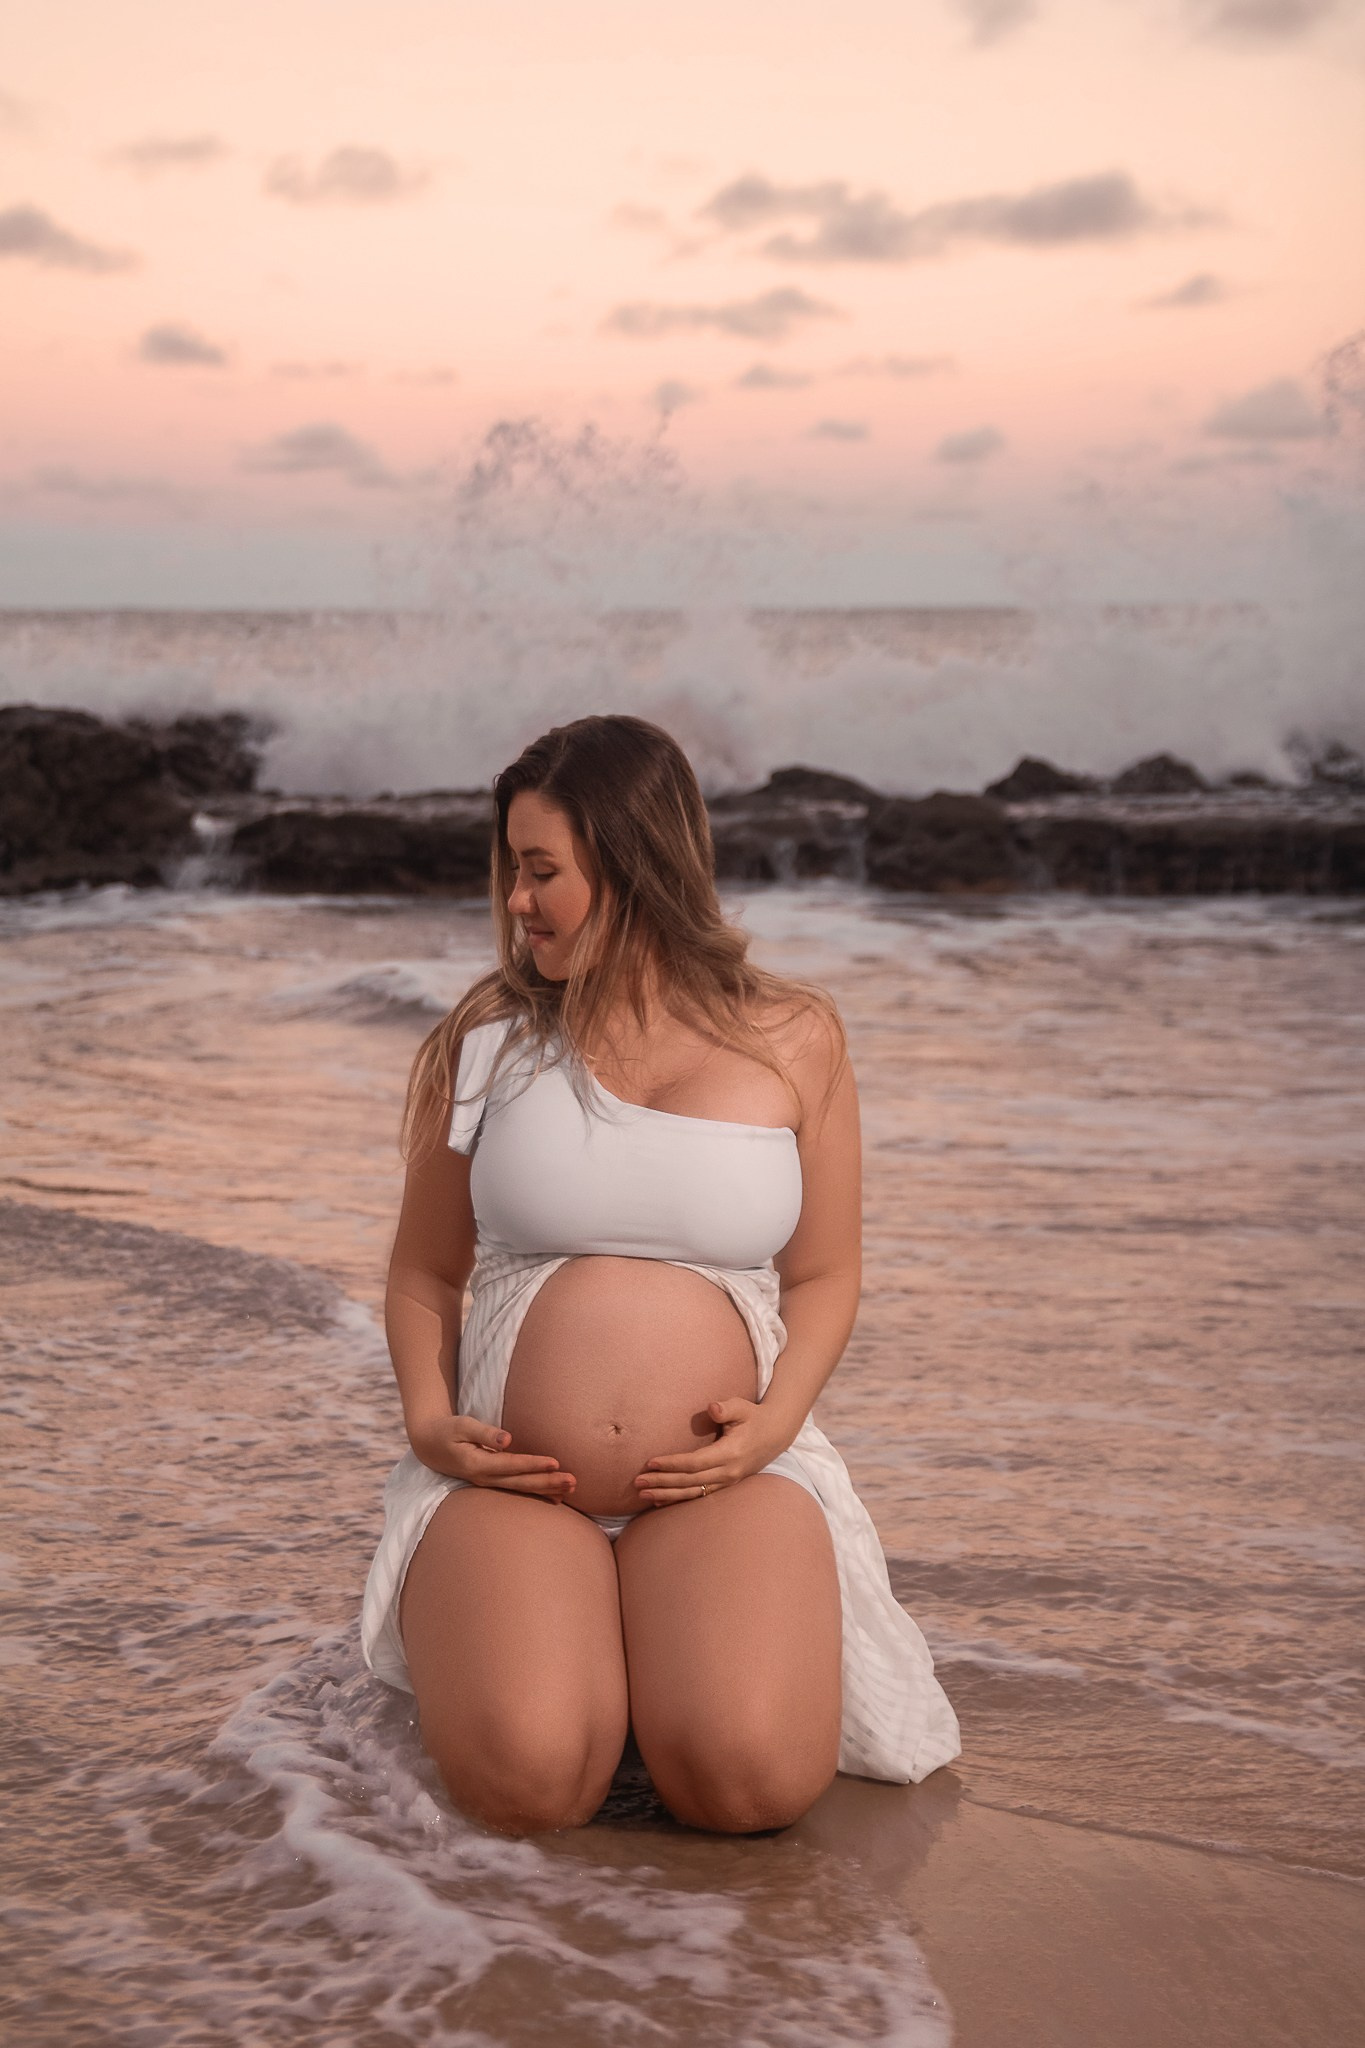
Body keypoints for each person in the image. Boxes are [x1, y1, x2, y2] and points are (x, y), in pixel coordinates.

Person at [360, 715, 959, 1834]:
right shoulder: (487, 1040)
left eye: (543, 871)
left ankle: (648, 1666)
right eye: (512, 872)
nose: (515, 903)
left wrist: (776, 1425)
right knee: (530, 1785)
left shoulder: (793, 1036)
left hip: (719, 1482)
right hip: (516, 1485)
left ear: (634, 860)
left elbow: (825, 1272)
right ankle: (582, 1658)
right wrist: (429, 1419)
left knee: (747, 1785)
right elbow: (423, 1271)